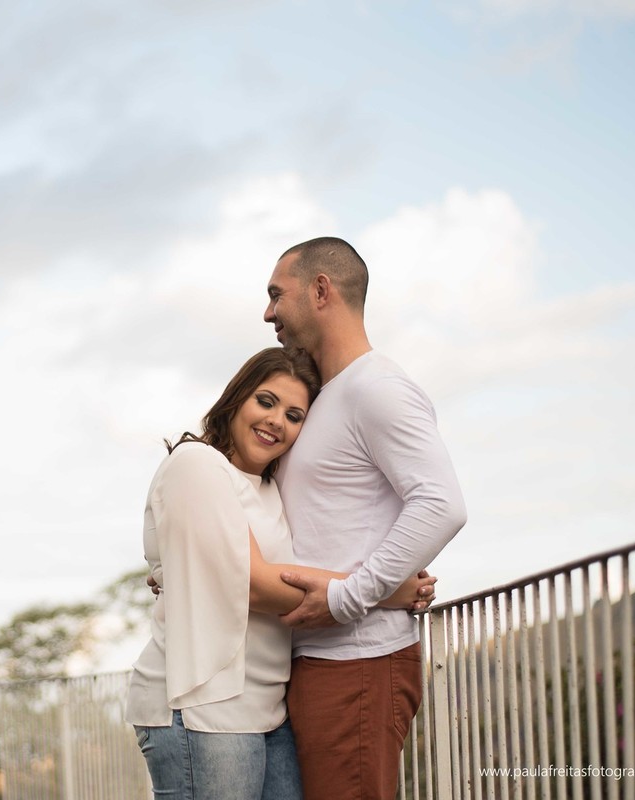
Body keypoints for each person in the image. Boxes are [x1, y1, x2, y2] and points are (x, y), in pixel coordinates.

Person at [125, 347, 436, 800]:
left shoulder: (270, 487)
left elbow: (277, 569)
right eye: (266, 402)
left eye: (294, 415)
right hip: (199, 705)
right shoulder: (197, 463)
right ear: (236, 399)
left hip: (266, 709)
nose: (277, 421)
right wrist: (384, 590)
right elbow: (253, 582)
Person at [263, 237, 467, 800]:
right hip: (316, 660)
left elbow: (441, 503)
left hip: (357, 661)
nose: (268, 312)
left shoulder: (377, 387)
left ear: (320, 290)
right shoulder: (327, 396)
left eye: (277, 294)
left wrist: (350, 596)